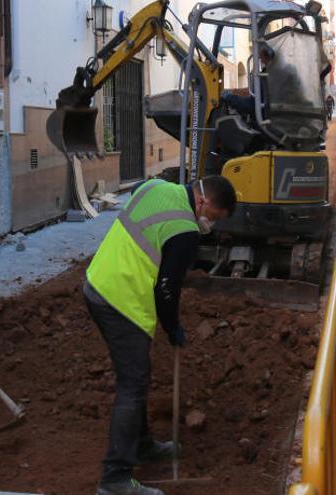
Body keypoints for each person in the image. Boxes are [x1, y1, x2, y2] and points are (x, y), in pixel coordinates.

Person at [84, 176, 237, 495]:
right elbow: (167, 290)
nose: (211, 224)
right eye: (214, 217)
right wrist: (173, 328)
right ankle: (115, 478)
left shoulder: (156, 187)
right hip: (120, 299)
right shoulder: (186, 231)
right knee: (133, 384)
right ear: (203, 203)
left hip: (98, 282)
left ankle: (140, 445)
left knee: (135, 376)